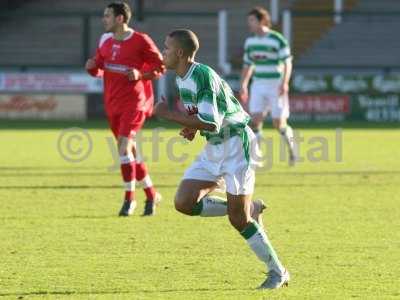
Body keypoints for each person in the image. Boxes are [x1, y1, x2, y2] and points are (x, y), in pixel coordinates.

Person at [154, 29, 289, 289]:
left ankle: (277, 271)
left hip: (237, 145)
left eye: (166, 48)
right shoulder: (182, 79)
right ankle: (249, 207)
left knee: (238, 220)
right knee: (184, 202)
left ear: (180, 53)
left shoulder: (201, 75)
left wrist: (169, 115)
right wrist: (191, 128)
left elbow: (211, 122)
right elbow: (207, 116)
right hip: (215, 148)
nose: (164, 52)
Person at [85, 2, 164, 216]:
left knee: (122, 147)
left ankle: (129, 200)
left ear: (120, 19)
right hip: (113, 104)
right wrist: (92, 67)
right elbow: (99, 66)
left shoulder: (141, 40)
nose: (104, 19)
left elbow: (160, 66)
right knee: (129, 152)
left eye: (107, 16)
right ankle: (151, 194)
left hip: (135, 103)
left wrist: (141, 75)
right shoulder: (107, 42)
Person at [239, 6, 296, 166]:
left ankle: (292, 148)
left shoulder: (277, 39)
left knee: (279, 124)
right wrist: (244, 84)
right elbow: (247, 65)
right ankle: (256, 157)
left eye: (252, 20)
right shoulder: (250, 42)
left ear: (262, 20)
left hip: (275, 85)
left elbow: (287, 62)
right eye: (248, 20)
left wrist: (285, 83)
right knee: (255, 120)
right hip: (258, 84)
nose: (249, 23)